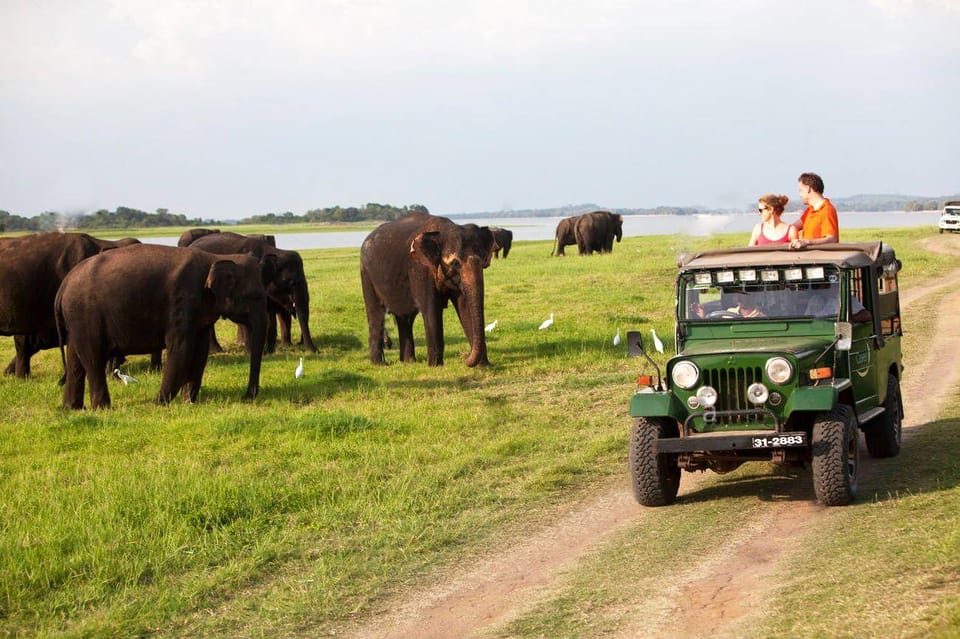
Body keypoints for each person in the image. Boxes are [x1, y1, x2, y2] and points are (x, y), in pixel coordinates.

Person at [789, 172, 839, 249]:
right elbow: (792, 227)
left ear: (808, 189)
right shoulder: (810, 210)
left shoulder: (827, 209)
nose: (800, 195)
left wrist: (807, 242)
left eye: (800, 190)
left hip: (821, 259)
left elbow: (832, 239)